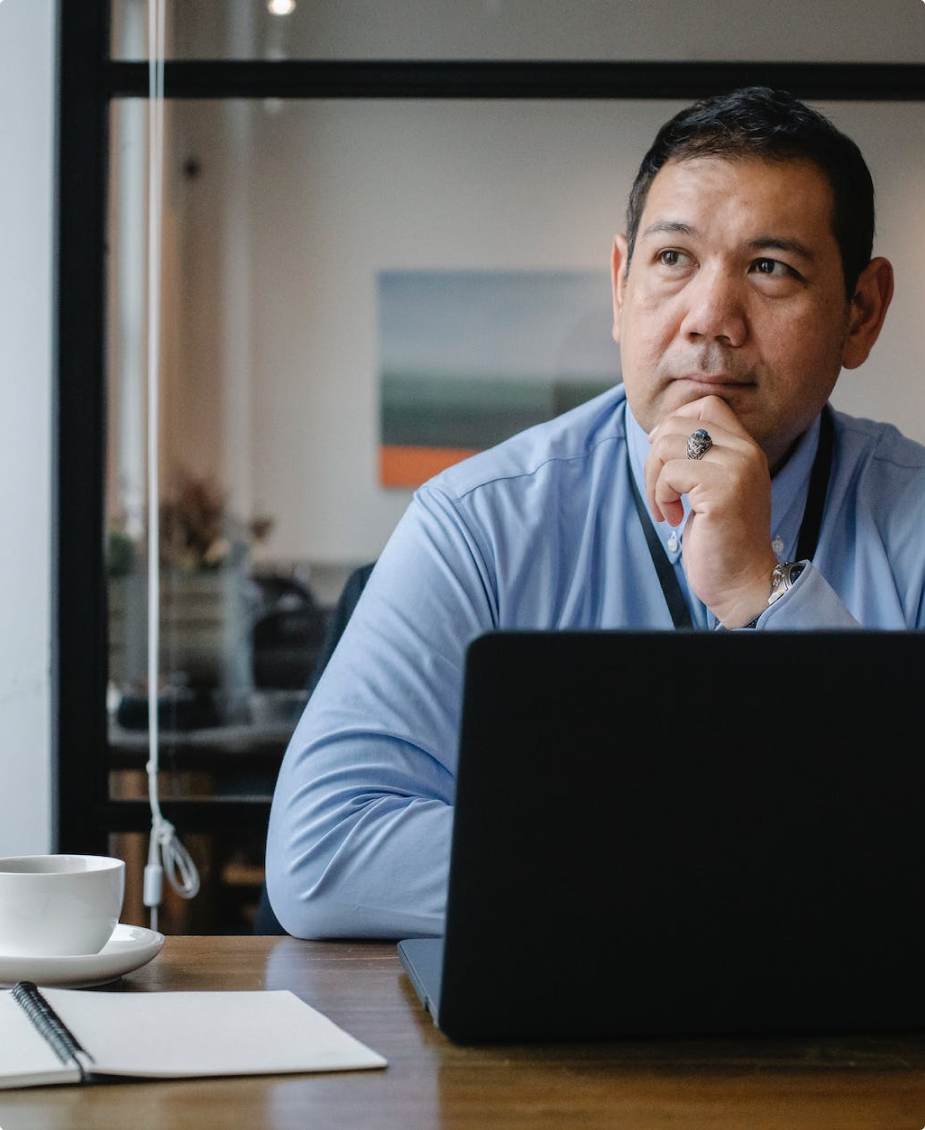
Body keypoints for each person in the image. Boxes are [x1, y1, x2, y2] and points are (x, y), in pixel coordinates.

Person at [266, 86, 924, 940]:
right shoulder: (477, 524)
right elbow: (323, 854)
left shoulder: (910, 516)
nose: (710, 321)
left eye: (770, 268)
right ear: (621, 285)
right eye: (673, 261)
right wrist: (737, 861)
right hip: (542, 1057)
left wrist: (766, 593)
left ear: (860, 313)